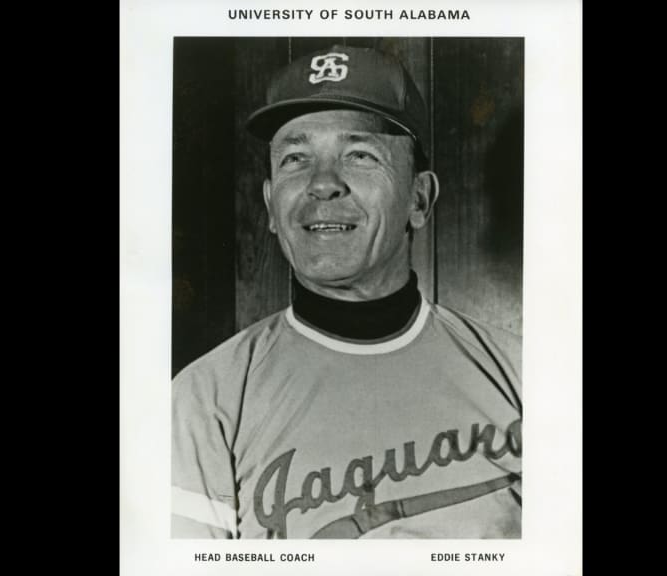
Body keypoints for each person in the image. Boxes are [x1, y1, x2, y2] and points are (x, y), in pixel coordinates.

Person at [171, 45, 522, 539]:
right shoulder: (203, 399)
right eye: (296, 158)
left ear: (419, 198)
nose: (323, 184)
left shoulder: (524, 376)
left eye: (360, 155)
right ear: (270, 205)